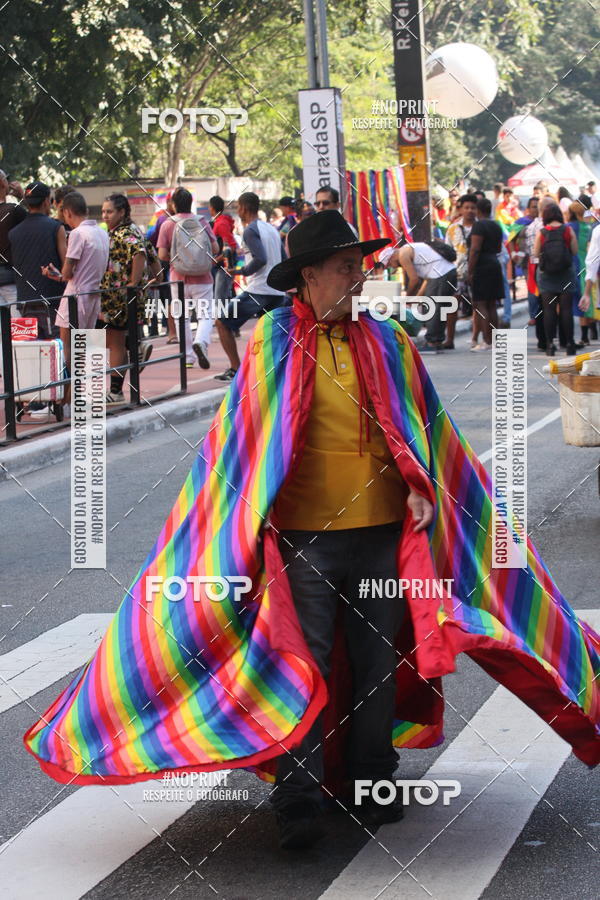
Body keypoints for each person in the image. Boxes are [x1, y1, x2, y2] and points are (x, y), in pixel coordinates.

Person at [24, 210, 600, 853]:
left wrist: (422, 486)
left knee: (380, 662)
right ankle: (296, 801)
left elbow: (425, 428)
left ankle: (373, 784)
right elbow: (240, 449)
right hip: (302, 542)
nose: (361, 277)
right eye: (347, 268)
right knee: (302, 662)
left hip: (383, 534)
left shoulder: (387, 338)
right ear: (309, 277)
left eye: (361, 266)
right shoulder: (271, 340)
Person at [41, 191, 109, 410]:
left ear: (67, 212)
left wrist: (58, 273)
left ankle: (66, 398)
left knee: (68, 348)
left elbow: (68, 271)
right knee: (86, 347)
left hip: (74, 296)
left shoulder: (78, 234)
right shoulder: (101, 233)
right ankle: (82, 397)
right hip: (93, 295)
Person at [214, 191, 285, 382]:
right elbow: (284, 258)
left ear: (244, 207)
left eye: (238, 207)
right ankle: (270, 370)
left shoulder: (250, 230)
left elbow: (260, 258)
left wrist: (240, 272)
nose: (238, 211)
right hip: (277, 290)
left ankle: (235, 368)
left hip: (260, 289)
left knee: (222, 322)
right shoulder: (271, 229)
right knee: (267, 332)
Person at [100, 193, 154, 403]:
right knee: (116, 341)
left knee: (114, 342)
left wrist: (133, 282)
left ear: (122, 212)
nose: (105, 216)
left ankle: (115, 390)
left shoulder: (123, 234)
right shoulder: (133, 230)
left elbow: (139, 252)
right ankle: (136, 346)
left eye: (109, 211)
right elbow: (153, 256)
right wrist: (154, 278)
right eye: (103, 211)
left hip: (118, 297)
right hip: (124, 296)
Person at [157, 187, 219, 369]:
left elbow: (161, 254)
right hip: (203, 277)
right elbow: (215, 249)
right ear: (191, 203)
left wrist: (178, 260)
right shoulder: (202, 222)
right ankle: (201, 341)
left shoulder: (168, 224)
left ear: (174, 204)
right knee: (205, 315)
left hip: (178, 278)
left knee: (181, 317)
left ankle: (188, 358)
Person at [9, 181, 66, 339]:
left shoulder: (14, 233)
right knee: (57, 349)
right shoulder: (56, 228)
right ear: (47, 201)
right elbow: (67, 266)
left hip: (24, 303)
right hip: (53, 301)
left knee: (31, 352)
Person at [381, 239, 457, 353]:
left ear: (391, 258)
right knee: (439, 307)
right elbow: (427, 280)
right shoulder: (411, 249)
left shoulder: (403, 254)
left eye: (390, 264)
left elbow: (414, 280)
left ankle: (432, 342)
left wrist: (407, 299)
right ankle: (437, 341)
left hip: (441, 273)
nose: (393, 266)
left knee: (433, 307)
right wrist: (417, 297)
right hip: (447, 272)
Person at [532, 201, 579, 356]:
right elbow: (574, 251)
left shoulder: (542, 232)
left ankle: (550, 344)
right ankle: (570, 343)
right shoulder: (568, 230)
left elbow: (535, 253)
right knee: (566, 309)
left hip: (547, 276)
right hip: (566, 273)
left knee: (549, 310)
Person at [467, 197, 504, 350]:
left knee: (480, 303)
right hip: (494, 263)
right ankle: (494, 340)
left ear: (478, 210)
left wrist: (470, 271)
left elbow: (475, 249)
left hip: (482, 265)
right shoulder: (496, 225)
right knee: (492, 304)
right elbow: (499, 248)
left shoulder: (479, 226)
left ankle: (487, 340)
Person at [445, 193, 478, 347]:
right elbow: (447, 250)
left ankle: (476, 339)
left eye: (473, 207)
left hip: (477, 272)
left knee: (477, 306)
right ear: (461, 209)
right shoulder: (452, 228)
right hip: (457, 273)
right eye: (467, 207)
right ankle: (449, 339)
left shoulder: (481, 226)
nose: (470, 210)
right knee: (452, 306)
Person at [567, 202, 593, 344]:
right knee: (588, 299)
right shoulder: (589, 227)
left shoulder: (569, 227)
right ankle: (588, 333)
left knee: (577, 300)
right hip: (589, 266)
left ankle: (582, 337)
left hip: (575, 266)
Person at [0, 169, 26, 306]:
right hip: (11, 280)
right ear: (3, 184)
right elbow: (37, 218)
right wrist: (22, 195)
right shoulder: (13, 210)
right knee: (19, 325)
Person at [208, 194, 237, 305]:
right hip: (221, 266)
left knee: (220, 298)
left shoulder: (221, 223)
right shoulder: (219, 222)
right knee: (222, 297)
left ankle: (222, 321)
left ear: (212, 208)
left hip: (223, 267)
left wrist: (216, 260)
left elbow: (231, 247)